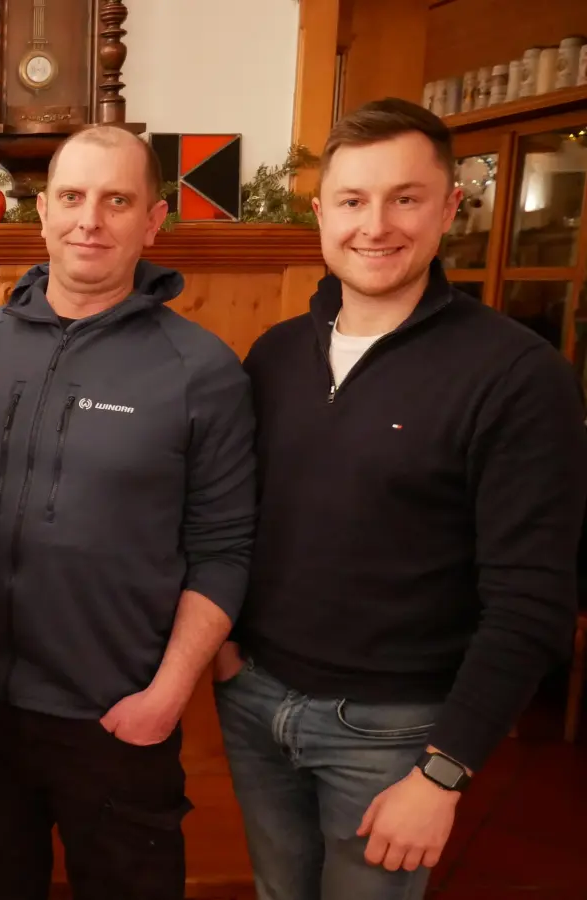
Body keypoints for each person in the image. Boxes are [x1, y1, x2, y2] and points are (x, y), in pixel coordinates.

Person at [213, 97, 587, 899]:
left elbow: (534, 600)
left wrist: (443, 773)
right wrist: (226, 652)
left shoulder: (518, 377)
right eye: (353, 200)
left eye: (405, 198)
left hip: (397, 732)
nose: (375, 225)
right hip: (256, 701)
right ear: (321, 213)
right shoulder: (275, 355)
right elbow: (232, 517)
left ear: (450, 206)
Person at [0, 125, 257, 900]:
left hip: (117, 718)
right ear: (41, 213)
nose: (90, 220)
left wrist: (167, 697)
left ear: (153, 221)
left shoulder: (201, 370)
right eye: (72, 198)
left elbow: (226, 548)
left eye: (117, 201)